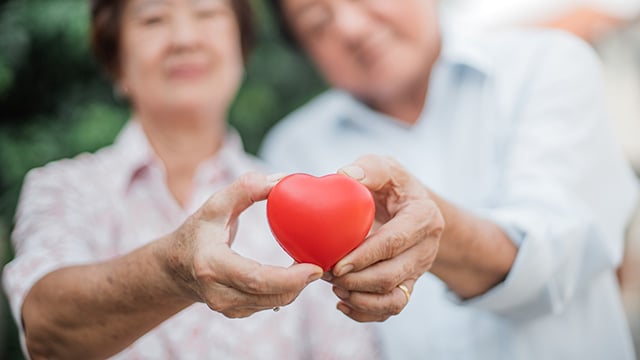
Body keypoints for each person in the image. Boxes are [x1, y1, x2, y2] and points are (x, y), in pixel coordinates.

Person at [260, 0, 640, 359]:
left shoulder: (547, 64)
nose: (352, 28)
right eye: (317, 21)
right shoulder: (294, 150)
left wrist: (434, 229)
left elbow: (557, 256)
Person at [1, 0, 381, 359]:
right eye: (153, 19)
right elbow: (46, 333)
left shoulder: (301, 208)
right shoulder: (62, 190)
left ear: (241, 49)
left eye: (207, 12)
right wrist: (172, 274)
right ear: (116, 63)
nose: (185, 38)